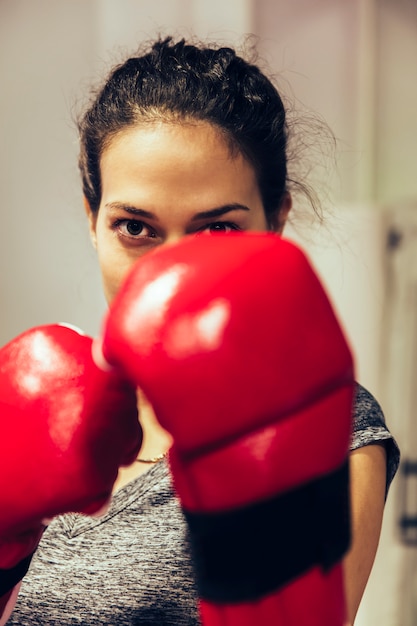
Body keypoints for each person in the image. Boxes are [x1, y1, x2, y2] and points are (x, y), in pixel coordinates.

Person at [6, 36, 399, 626]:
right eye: (135, 227)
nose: (170, 270)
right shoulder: (30, 403)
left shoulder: (332, 425)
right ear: (93, 221)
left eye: (216, 230)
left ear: (276, 221)